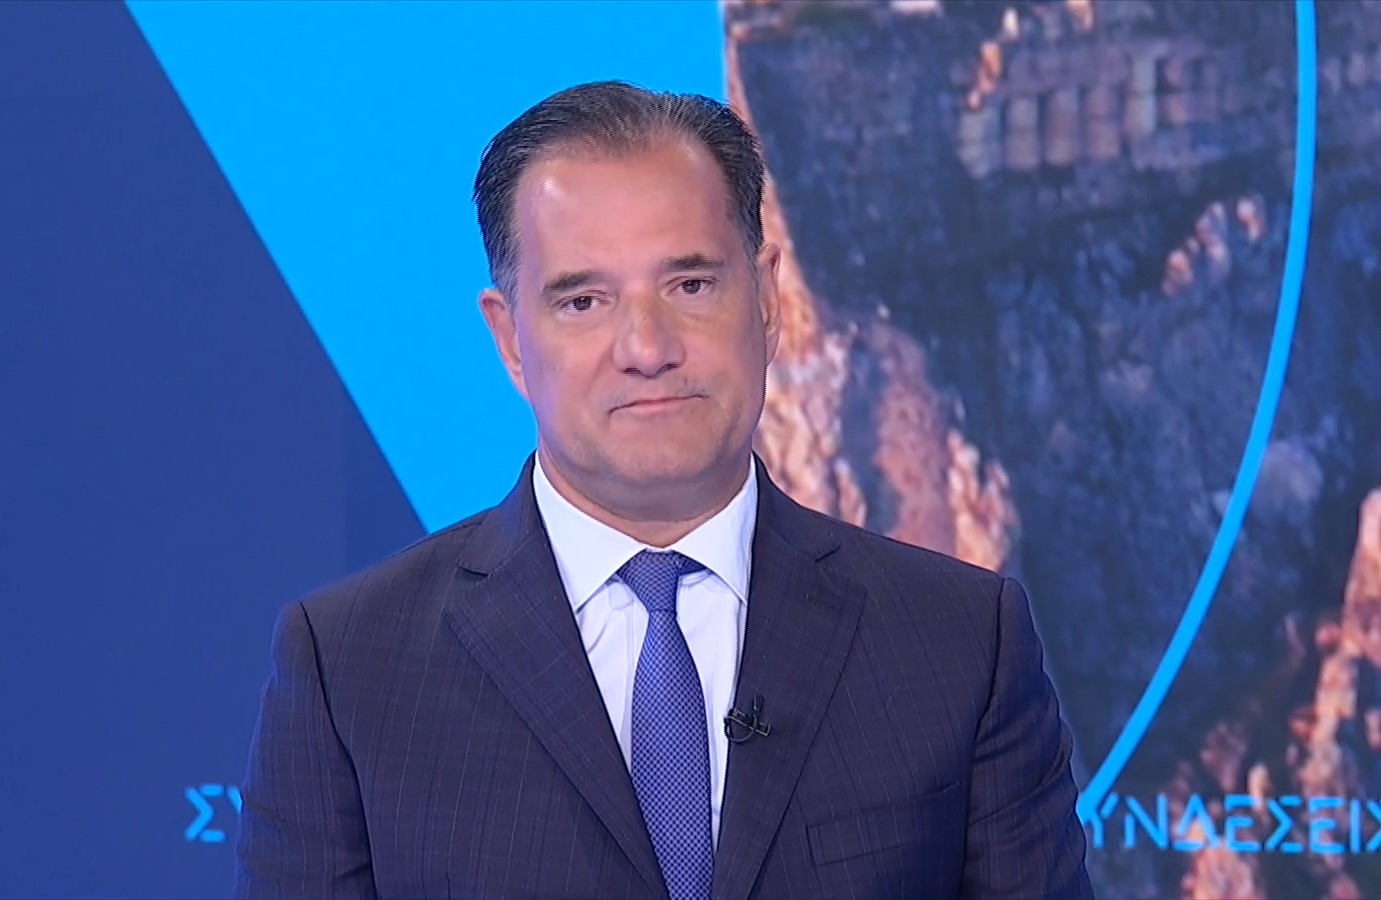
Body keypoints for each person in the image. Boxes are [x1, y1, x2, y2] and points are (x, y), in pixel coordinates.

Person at [233, 80, 1093, 900]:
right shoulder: (350, 669)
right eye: (583, 301)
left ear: (767, 300)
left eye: (690, 285)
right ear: (509, 338)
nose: (646, 347)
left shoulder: (959, 644)